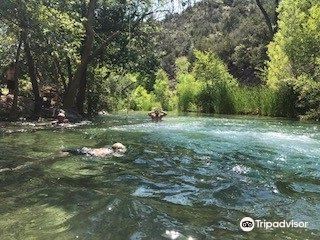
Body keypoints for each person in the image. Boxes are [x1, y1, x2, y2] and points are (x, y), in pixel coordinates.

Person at [62, 142, 127, 157]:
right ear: (117, 149)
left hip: (86, 150)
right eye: (121, 149)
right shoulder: (110, 152)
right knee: (66, 151)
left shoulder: (108, 149)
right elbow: (99, 154)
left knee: (67, 150)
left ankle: (62, 151)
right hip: (86, 153)